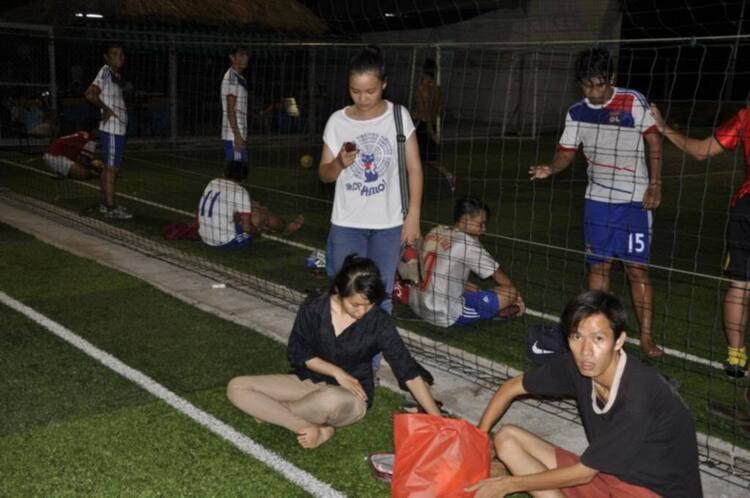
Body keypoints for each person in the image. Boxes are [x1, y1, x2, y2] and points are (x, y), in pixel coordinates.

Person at [468, 290, 702, 497]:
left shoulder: (638, 396)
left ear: (618, 340)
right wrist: (477, 442)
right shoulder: (576, 365)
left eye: (598, 339)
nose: (586, 351)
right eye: (576, 337)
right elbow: (512, 387)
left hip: (652, 492)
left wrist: (507, 485)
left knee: (580, 472)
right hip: (610, 475)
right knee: (507, 439)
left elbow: (583, 474)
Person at [529, 47, 663, 358]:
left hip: (634, 203)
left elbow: (654, 139)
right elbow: (566, 151)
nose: (593, 92)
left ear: (612, 79)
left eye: (599, 85)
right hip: (598, 202)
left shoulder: (633, 101)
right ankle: (601, 332)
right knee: (599, 271)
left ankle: (646, 337)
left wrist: (655, 184)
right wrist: (552, 167)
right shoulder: (577, 112)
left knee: (637, 271)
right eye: (587, 85)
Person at [227, 255, 441, 448]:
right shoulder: (315, 306)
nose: (362, 312)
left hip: (349, 396)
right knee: (237, 387)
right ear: (339, 291)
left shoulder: (378, 321)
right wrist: (337, 373)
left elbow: (408, 371)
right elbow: (297, 352)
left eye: (369, 305)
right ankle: (310, 427)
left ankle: (275, 411)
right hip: (307, 383)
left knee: (330, 400)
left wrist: (438, 420)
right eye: (356, 305)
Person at [318, 45, 424, 314]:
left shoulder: (399, 116)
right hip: (347, 223)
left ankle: (373, 357)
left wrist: (414, 215)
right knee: (346, 295)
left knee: (381, 296)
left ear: (384, 84)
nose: (362, 98)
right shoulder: (337, 122)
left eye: (370, 91)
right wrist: (339, 162)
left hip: (388, 225)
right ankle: (344, 353)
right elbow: (324, 174)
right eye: (355, 91)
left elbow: (415, 169)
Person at [651, 103, 750, 377]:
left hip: (746, 209)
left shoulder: (746, 116)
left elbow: (700, 151)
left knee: (740, 285)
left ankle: (735, 358)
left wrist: (663, 128)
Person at [405, 197, 525, 327]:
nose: (484, 228)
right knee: (509, 292)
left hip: (416, 303)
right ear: (465, 220)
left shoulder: (436, 230)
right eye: (481, 223)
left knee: (474, 288)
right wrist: (516, 297)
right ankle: (489, 311)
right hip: (442, 313)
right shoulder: (467, 243)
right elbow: (498, 274)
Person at [198, 161, 304, 250]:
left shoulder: (213, 182)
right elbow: (247, 228)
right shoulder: (240, 191)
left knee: (252, 210)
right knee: (261, 215)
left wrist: (252, 206)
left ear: (223, 173)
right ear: (244, 179)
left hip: (205, 237)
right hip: (226, 242)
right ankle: (286, 229)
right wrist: (257, 232)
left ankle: (271, 227)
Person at [84, 42, 131, 219]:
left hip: (116, 130)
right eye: (114, 54)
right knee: (111, 169)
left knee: (110, 169)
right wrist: (105, 109)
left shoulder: (114, 75)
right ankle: (110, 208)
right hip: (112, 129)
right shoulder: (105, 72)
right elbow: (90, 94)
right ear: (106, 57)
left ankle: (106, 204)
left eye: (121, 53)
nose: (119, 57)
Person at [412, 58, 456, 191]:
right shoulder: (437, 89)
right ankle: (449, 176)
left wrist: (412, 114)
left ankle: (412, 183)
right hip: (430, 125)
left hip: (423, 126)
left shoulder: (422, 89)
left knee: (411, 155)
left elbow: (424, 113)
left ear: (423, 72)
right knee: (429, 159)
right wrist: (434, 129)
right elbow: (439, 110)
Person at [221, 46, 249, 163]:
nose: (246, 58)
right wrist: (237, 136)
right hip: (233, 135)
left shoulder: (240, 78)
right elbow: (230, 109)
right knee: (235, 175)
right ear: (232, 57)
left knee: (237, 173)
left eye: (246, 55)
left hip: (238, 133)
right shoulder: (231, 79)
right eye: (241, 55)